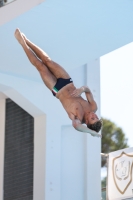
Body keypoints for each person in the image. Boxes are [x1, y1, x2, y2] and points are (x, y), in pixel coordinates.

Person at [14, 28, 102, 138]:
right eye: (96, 117)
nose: (94, 115)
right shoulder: (93, 107)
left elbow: (77, 127)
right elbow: (88, 89)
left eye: (93, 118)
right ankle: (26, 40)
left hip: (57, 89)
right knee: (47, 60)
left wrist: (91, 132)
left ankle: (22, 43)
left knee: (40, 66)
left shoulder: (78, 118)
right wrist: (82, 89)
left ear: (88, 123)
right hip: (67, 81)